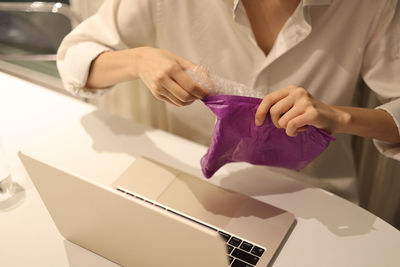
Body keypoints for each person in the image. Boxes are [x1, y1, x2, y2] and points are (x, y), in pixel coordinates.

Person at [57, 0, 400, 201]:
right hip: (187, 186)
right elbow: (75, 58)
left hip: (311, 195)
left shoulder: (369, 7)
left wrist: (339, 117)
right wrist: (138, 60)